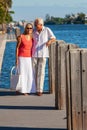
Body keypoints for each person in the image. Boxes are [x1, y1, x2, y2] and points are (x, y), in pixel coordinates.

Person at [32, 18, 56, 96]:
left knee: (41, 72)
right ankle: (34, 88)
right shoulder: (33, 30)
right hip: (34, 53)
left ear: (41, 25)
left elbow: (53, 38)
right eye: (35, 24)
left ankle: (40, 90)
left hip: (43, 53)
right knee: (34, 72)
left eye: (36, 25)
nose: (35, 26)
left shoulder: (46, 29)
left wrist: (49, 41)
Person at [15, 23, 36, 95]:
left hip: (29, 58)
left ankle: (27, 89)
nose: (29, 29)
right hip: (22, 58)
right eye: (28, 28)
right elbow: (17, 48)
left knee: (29, 74)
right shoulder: (21, 37)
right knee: (22, 74)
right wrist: (16, 59)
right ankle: (23, 90)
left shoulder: (32, 37)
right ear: (25, 28)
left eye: (31, 28)